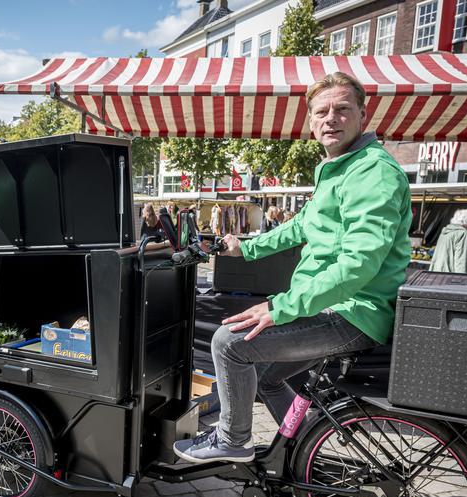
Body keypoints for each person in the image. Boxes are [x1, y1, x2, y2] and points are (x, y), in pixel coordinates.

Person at [175, 72, 412, 463]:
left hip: (351, 312)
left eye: (342, 109)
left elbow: (358, 264)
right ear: (312, 121)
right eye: (322, 112)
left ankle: (232, 441)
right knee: (269, 378)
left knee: (228, 343)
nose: (330, 119)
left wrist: (278, 308)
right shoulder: (339, 167)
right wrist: (244, 248)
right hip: (334, 306)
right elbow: (302, 226)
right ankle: (305, 456)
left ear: (363, 117)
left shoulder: (372, 172)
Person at [430, 209, 467, 274]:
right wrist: (462, 278)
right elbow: (461, 260)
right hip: (450, 275)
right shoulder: (463, 234)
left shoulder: (445, 232)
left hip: (437, 271)